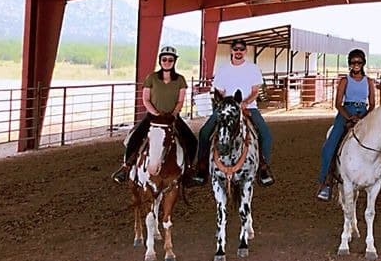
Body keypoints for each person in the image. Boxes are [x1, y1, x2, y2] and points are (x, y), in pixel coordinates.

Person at [315, 49, 381, 201]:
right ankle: (326, 182)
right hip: (346, 111)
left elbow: (372, 104)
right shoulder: (344, 81)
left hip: (364, 112)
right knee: (330, 144)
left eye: (359, 62)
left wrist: (362, 117)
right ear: (349, 64)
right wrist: (349, 117)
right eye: (353, 62)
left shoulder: (368, 81)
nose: (356, 65)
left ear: (363, 64)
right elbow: (338, 103)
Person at [191, 39, 275, 187]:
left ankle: (263, 167)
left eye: (241, 49)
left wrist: (245, 102)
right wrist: (230, 104)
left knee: (266, 135)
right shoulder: (223, 69)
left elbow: (255, 91)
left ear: (245, 51)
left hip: (249, 107)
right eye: (236, 49)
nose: (238, 52)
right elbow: (220, 92)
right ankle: (202, 166)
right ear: (231, 50)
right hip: (226, 107)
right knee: (204, 132)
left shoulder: (253, 68)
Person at [111, 46, 198, 183]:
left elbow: (181, 100)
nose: (167, 62)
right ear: (160, 61)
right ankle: (126, 167)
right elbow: (146, 99)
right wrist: (156, 113)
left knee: (192, 140)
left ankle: (188, 170)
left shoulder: (180, 80)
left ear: (174, 61)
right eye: (164, 59)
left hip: (172, 117)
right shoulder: (151, 78)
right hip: (153, 117)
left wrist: (174, 113)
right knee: (135, 137)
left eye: (170, 59)